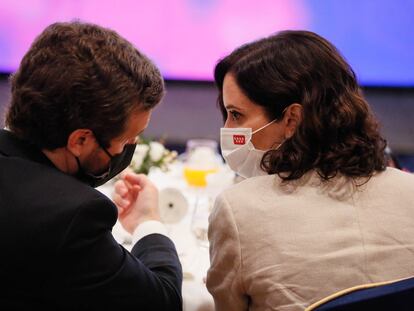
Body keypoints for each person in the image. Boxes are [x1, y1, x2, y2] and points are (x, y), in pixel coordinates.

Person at [206, 30, 414, 311]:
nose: (228, 130)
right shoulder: (409, 192)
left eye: (236, 115)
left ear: (292, 118)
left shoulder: (238, 209)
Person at [0, 21, 182, 310]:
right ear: (81, 140)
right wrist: (148, 222)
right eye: (127, 140)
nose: (130, 149)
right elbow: (161, 301)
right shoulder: (71, 217)